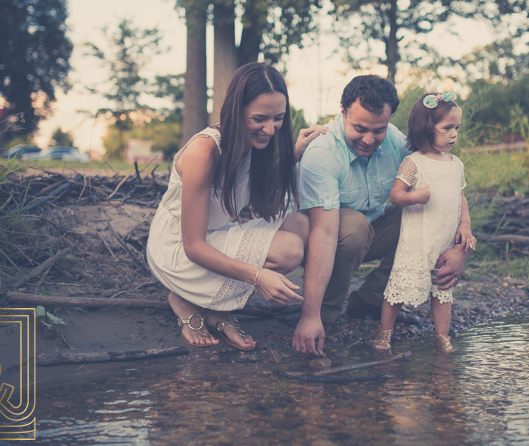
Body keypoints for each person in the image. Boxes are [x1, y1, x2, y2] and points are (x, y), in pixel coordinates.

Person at [147, 63, 326, 351]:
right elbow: (193, 245)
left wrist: (294, 151)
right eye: (259, 118)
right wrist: (258, 277)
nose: (270, 129)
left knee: (301, 225)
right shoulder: (203, 152)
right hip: (179, 249)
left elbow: (257, 184)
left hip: (214, 237)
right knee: (289, 249)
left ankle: (217, 311)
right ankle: (183, 296)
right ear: (236, 110)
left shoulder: (254, 144)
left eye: (278, 118)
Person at [293, 76, 470, 355]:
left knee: (420, 213)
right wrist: (309, 315)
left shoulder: (395, 142)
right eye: (360, 128)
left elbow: (444, 186)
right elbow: (324, 232)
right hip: (316, 238)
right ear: (342, 111)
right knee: (355, 226)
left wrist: (461, 248)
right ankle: (325, 313)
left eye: (379, 130)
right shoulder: (322, 153)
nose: (369, 139)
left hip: (371, 230)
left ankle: (370, 300)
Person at [373, 92, 476, 352]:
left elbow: (460, 196)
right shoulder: (414, 163)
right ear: (427, 128)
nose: (454, 134)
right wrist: (416, 196)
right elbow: (395, 195)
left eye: (457, 128)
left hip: (444, 240)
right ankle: (384, 333)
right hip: (417, 240)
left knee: (442, 291)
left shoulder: (456, 164)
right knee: (398, 287)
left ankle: (443, 338)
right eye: (447, 128)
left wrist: (465, 226)